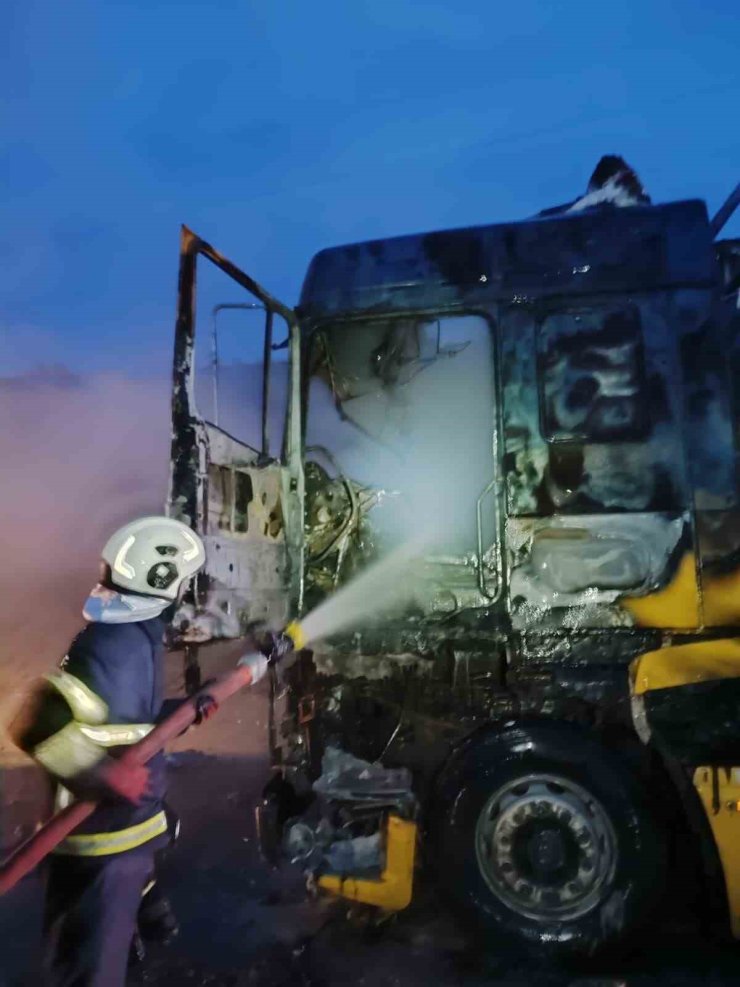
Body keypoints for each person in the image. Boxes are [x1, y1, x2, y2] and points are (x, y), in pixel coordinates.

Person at [10, 515, 272, 987]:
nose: (186, 594)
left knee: (114, 926)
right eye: (184, 583)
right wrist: (103, 776)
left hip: (129, 836)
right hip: (99, 848)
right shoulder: (112, 644)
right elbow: (36, 722)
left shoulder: (137, 638)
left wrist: (186, 707)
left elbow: (125, 722)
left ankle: (139, 910)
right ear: (161, 580)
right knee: (88, 972)